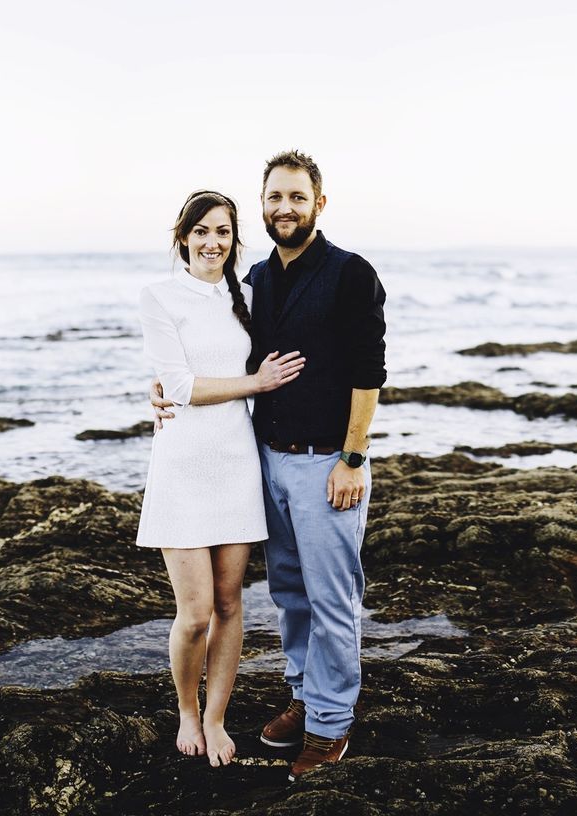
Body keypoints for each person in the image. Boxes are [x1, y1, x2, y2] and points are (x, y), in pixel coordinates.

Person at [153, 151, 387, 781]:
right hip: (263, 462)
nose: (285, 208)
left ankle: (331, 726)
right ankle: (306, 696)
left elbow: (370, 374)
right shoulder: (254, 280)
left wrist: (353, 458)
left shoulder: (350, 274)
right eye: (275, 198)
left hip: (325, 466)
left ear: (319, 203)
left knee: (333, 598)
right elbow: (206, 350)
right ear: (263, 205)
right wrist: (165, 392)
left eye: (297, 197)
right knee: (289, 594)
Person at [137, 189, 306, 768]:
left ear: (235, 240)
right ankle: (187, 709)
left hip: (237, 463)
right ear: (182, 236)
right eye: (202, 231)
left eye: (224, 233)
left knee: (232, 604)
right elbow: (180, 385)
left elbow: (294, 355)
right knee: (196, 612)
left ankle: (216, 717)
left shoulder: (250, 295)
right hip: (183, 467)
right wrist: (252, 384)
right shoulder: (158, 296)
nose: (213, 243)